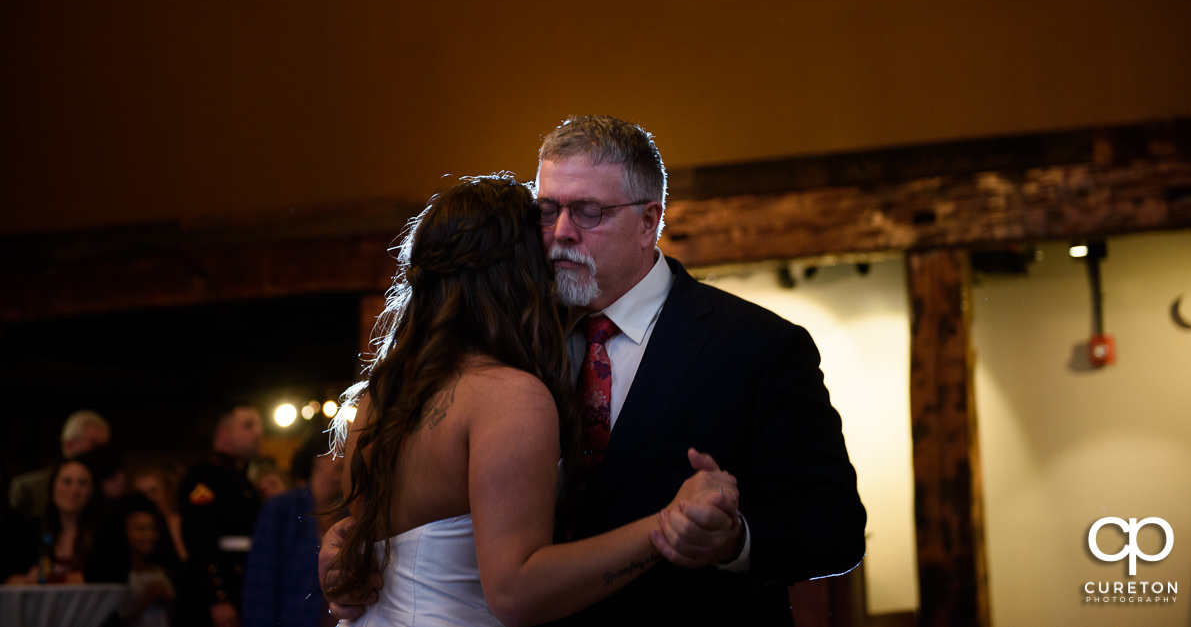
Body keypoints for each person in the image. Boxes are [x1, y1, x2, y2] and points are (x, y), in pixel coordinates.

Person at [324, 116, 866, 626]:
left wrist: (734, 539)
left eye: (588, 212)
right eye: (546, 210)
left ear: (648, 221)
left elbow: (836, 529)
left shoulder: (755, 346)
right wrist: (360, 546)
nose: (561, 231)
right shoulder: (517, 343)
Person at [322, 174, 739, 627]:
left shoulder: (376, 397)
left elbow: (368, 543)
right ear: (522, 273)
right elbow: (515, 592)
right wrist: (668, 523)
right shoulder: (508, 396)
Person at [242, 428, 344, 627]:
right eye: (341, 451)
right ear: (319, 457)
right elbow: (260, 584)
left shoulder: (350, 514)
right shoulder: (281, 509)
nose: (346, 460)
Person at [177, 404, 263, 627]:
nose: (258, 433)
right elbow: (199, 540)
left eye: (258, 426)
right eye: (248, 425)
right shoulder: (206, 477)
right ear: (224, 432)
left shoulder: (243, 478)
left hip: (246, 585)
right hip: (222, 587)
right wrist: (217, 597)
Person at [88, 493, 181, 627]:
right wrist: (147, 599)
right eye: (141, 530)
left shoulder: (161, 569)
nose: (149, 535)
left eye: (153, 529)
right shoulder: (116, 575)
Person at [9, 409, 110, 520]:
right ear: (69, 445)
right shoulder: (29, 489)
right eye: (94, 446)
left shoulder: (106, 486)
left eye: (104, 448)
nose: (101, 455)